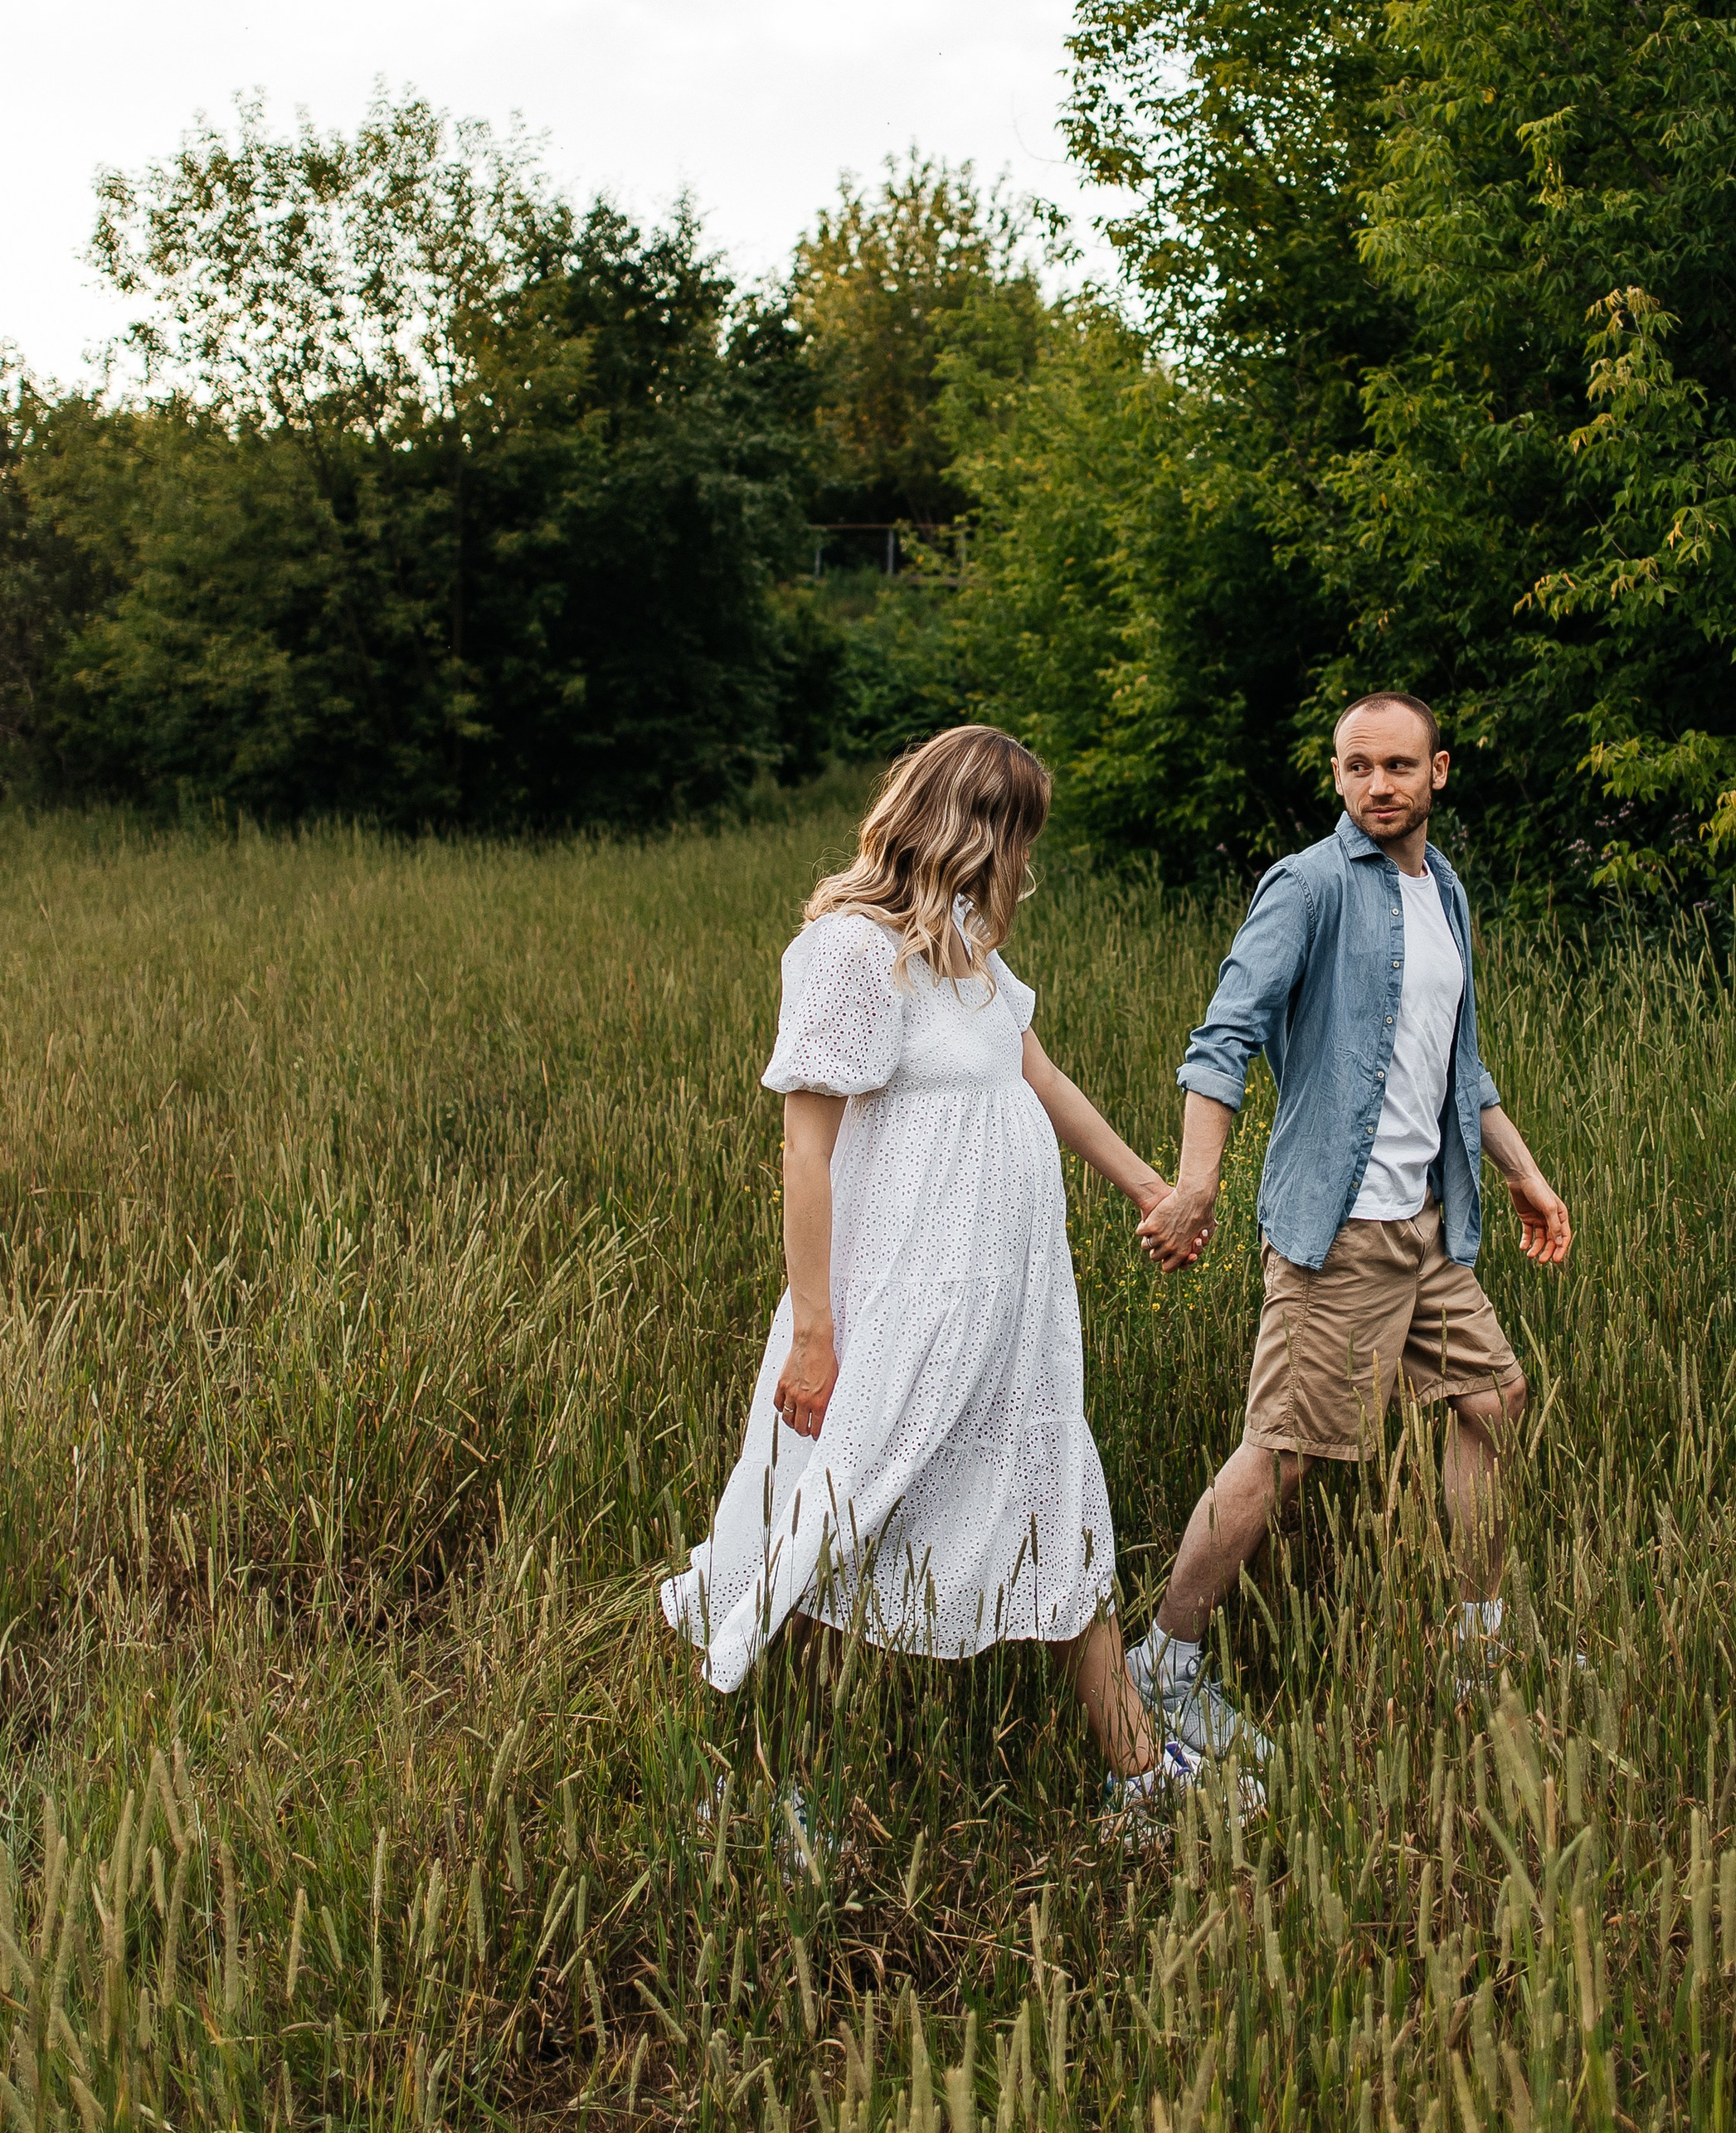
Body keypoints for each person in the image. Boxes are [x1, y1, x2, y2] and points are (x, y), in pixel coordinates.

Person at [662, 723, 1206, 1824]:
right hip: (894, 1306)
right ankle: (776, 1792)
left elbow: (1040, 1079)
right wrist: (816, 1334)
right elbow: (806, 1149)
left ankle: (1138, 1777)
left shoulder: (970, 953)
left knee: (1055, 1509)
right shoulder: (848, 952)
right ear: (966, 823)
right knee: (834, 1528)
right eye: (1013, 833)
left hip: (1009, 1312)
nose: (1018, 862)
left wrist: (1152, 1189)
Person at [1128, 692, 1573, 1748]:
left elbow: (1458, 1065)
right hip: (1340, 1236)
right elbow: (1221, 1040)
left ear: (1439, 773)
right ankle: (1165, 1661)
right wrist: (1196, 1184)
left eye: (1399, 766)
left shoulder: (1446, 891)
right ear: (1336, 776)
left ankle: (1475, 1639)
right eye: (1357, 767)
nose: (1379, 784)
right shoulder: (1309, 885)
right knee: (1281, 1455)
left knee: (1495, 1401)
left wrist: (1523, 1172)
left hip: (1428, 1226)